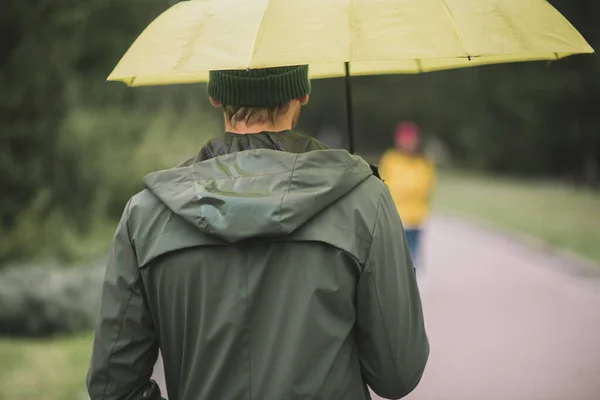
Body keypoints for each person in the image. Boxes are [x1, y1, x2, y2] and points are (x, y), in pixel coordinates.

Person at [87, 66, 428, 400]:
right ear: (303, 93)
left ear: (215, 97)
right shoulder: (364, 201)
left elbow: (112, 388)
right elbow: (397, 375)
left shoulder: (146, 214)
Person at [379, 122, 436, 268]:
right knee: (393, 259)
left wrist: (407, 189)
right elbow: (384, 185)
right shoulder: (391, 159)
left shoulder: (424, 162)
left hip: (416, 218)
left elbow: (427, 187)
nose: (408, 144)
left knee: (412, 259)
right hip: (395, 218)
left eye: (411, 140)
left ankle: (410, 287)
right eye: (404, 140)